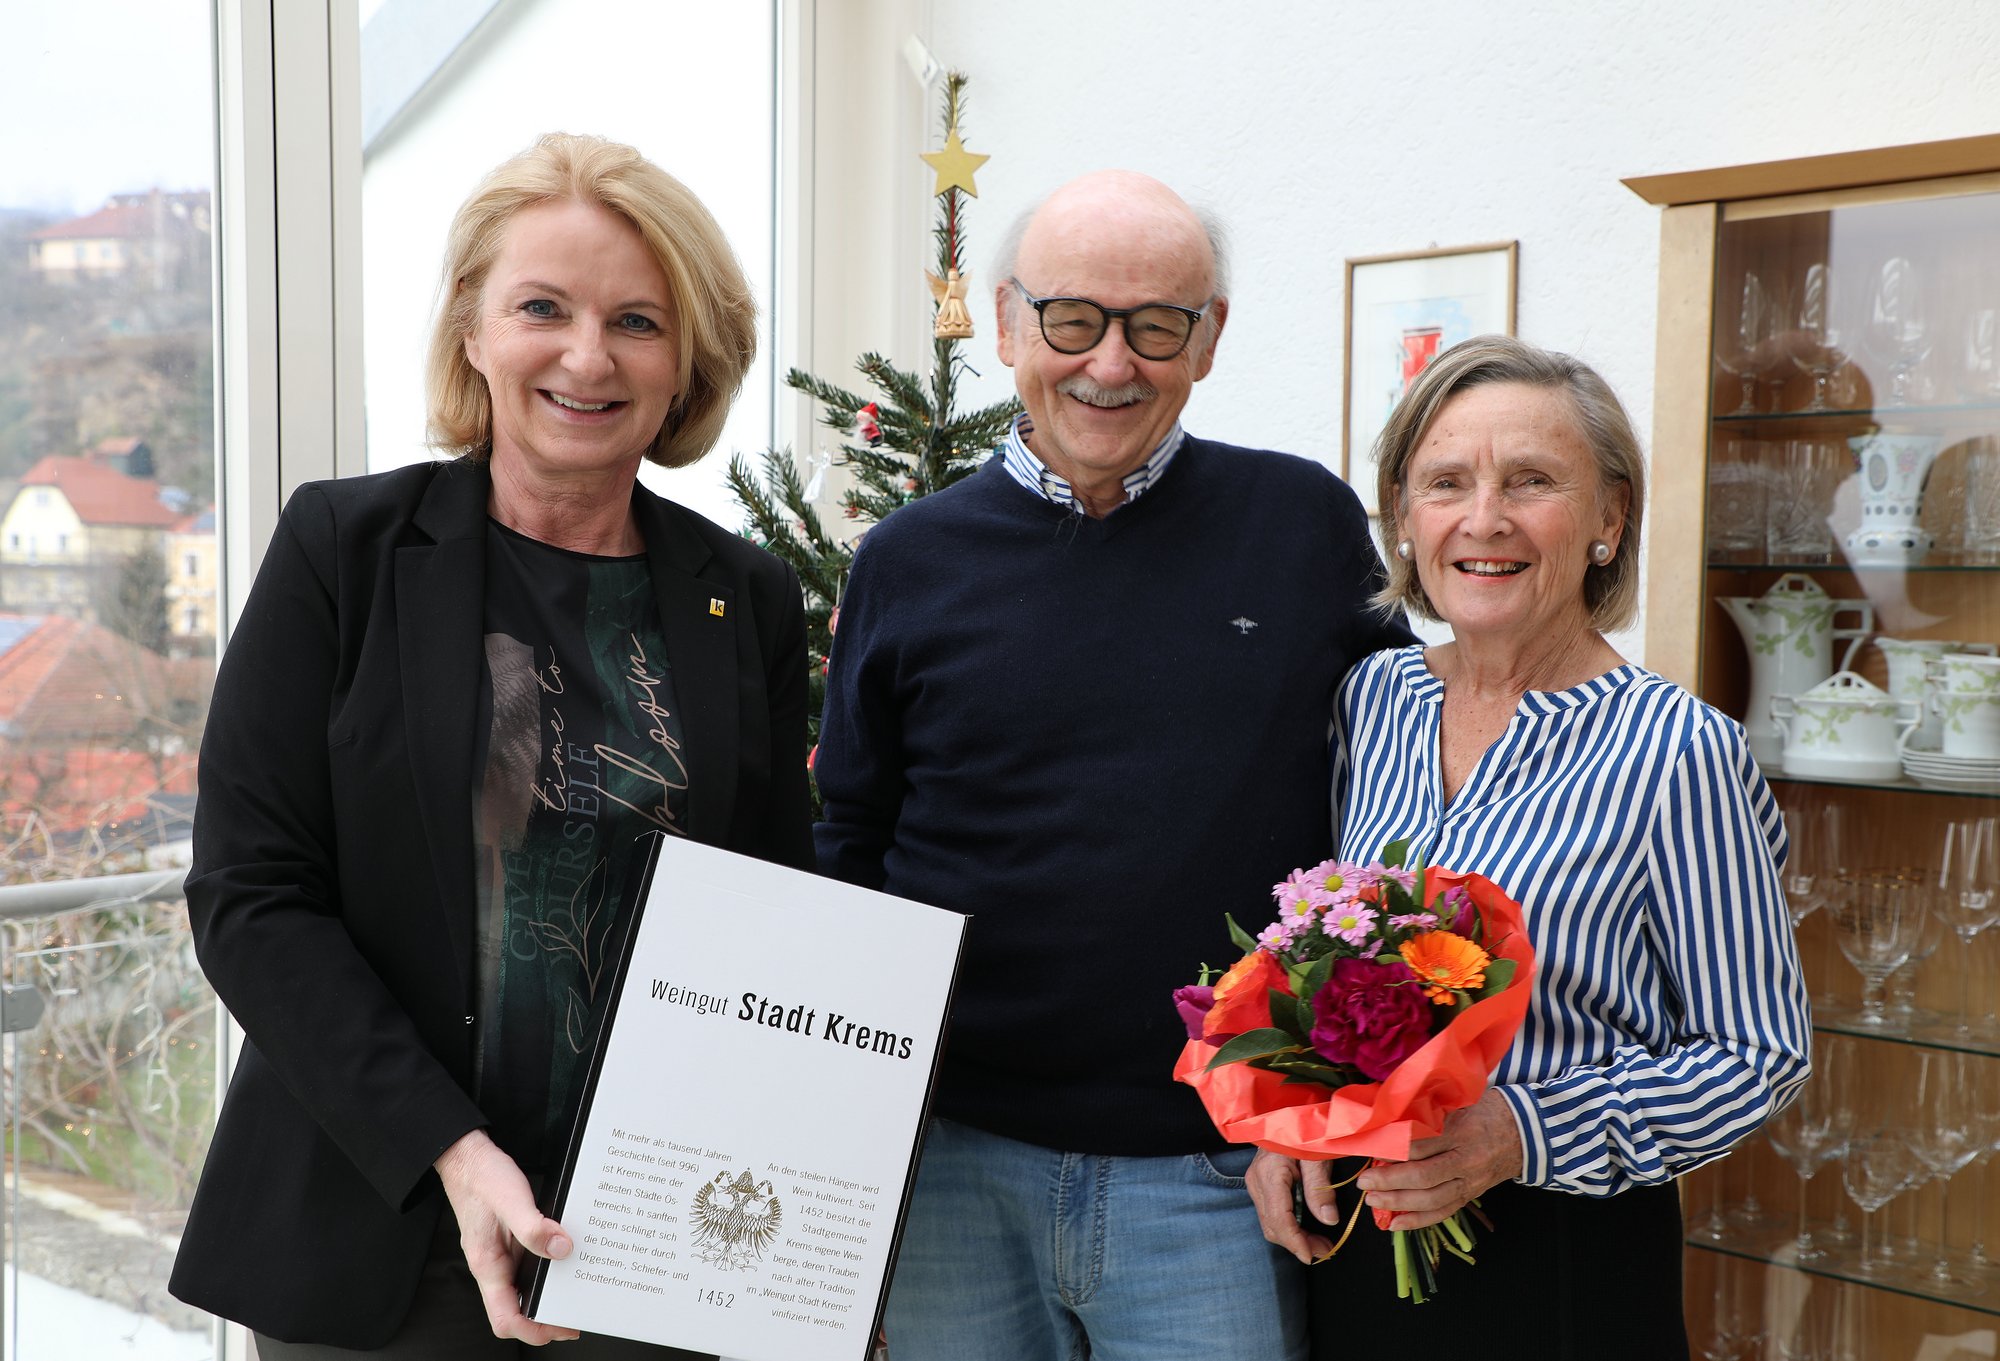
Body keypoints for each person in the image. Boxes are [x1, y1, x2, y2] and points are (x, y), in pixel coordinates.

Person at [168, 133, 813, 1358]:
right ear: (472, 329)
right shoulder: (341, 549)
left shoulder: (746, 594)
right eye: (542, 307)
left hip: (649, 1237)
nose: (587, 354)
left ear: (686, 363)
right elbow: (250, 895)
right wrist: (450, 1149)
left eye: (636, 319)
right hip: (384, 1218)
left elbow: (773, 917)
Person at [812, 169, 1415, 1361]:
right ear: (1003, 322)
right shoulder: (905, 558)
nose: (1110, 362)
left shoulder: (1301, 526)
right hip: (950, 1169)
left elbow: (1398, 800)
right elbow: (850, 843)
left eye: (1156, 325)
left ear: (1210, 339)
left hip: (1216, 1170)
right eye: (1072, 318)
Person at [1246, 335, 1810, 1358]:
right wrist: (1294, 1118)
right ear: (1403, 520)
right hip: (1367, 1243)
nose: (1483, 518)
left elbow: (1755, 1052)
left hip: (1560, 1260)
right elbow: (1327, 958)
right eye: (1444, 482)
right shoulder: (1373, 699)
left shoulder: (1677, 749)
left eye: (1531, 481)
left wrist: (1519, 1132)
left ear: (1607, 517)